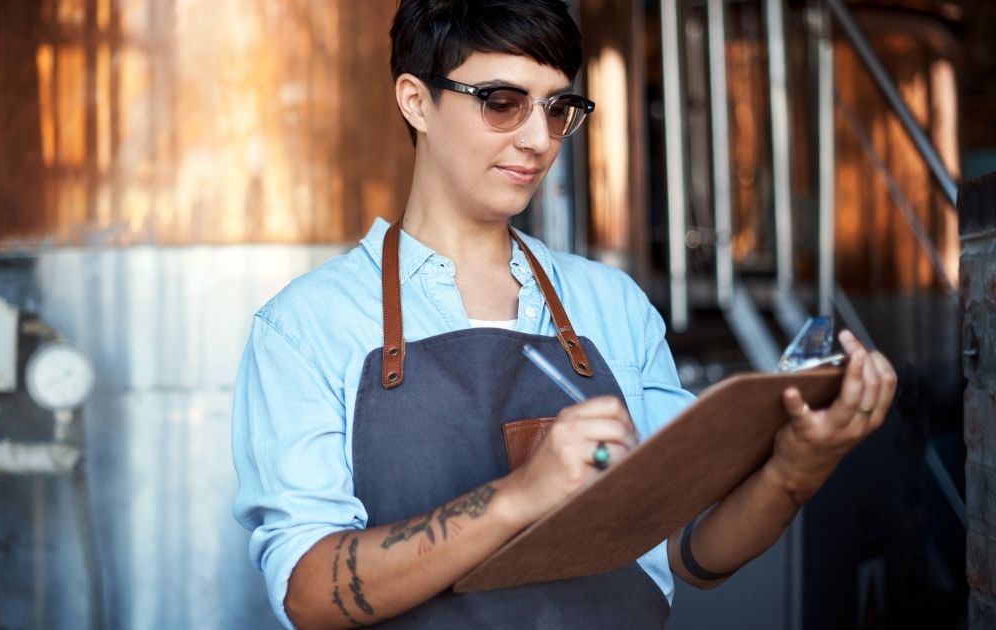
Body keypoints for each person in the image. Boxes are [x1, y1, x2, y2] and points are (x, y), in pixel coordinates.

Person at [231, 1, 898, 628]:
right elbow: (310, 593)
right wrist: (519, 497)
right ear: (416, 101)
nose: (538, 139)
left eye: (558, 109)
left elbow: (687, 551)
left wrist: (795, 468)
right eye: (502, 103)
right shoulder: (309, 326)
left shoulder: (611, 305)